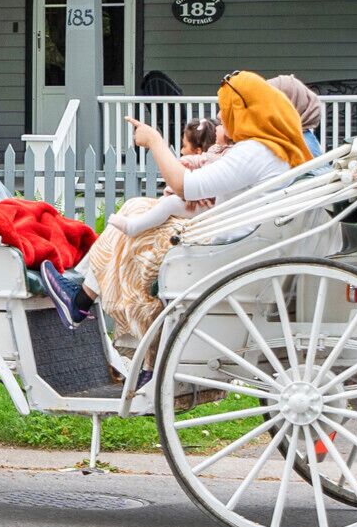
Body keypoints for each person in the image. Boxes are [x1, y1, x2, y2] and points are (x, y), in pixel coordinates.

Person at [81, 71, 314, 347]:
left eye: (224, 109)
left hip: (226, 250)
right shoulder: (283, 149)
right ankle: (83, 293)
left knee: (133, 218)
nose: (220, 117)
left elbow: (183, 185)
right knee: (135, 207)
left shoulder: (254, 152)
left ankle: (89, 300)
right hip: (249, 242)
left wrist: (154, 140)